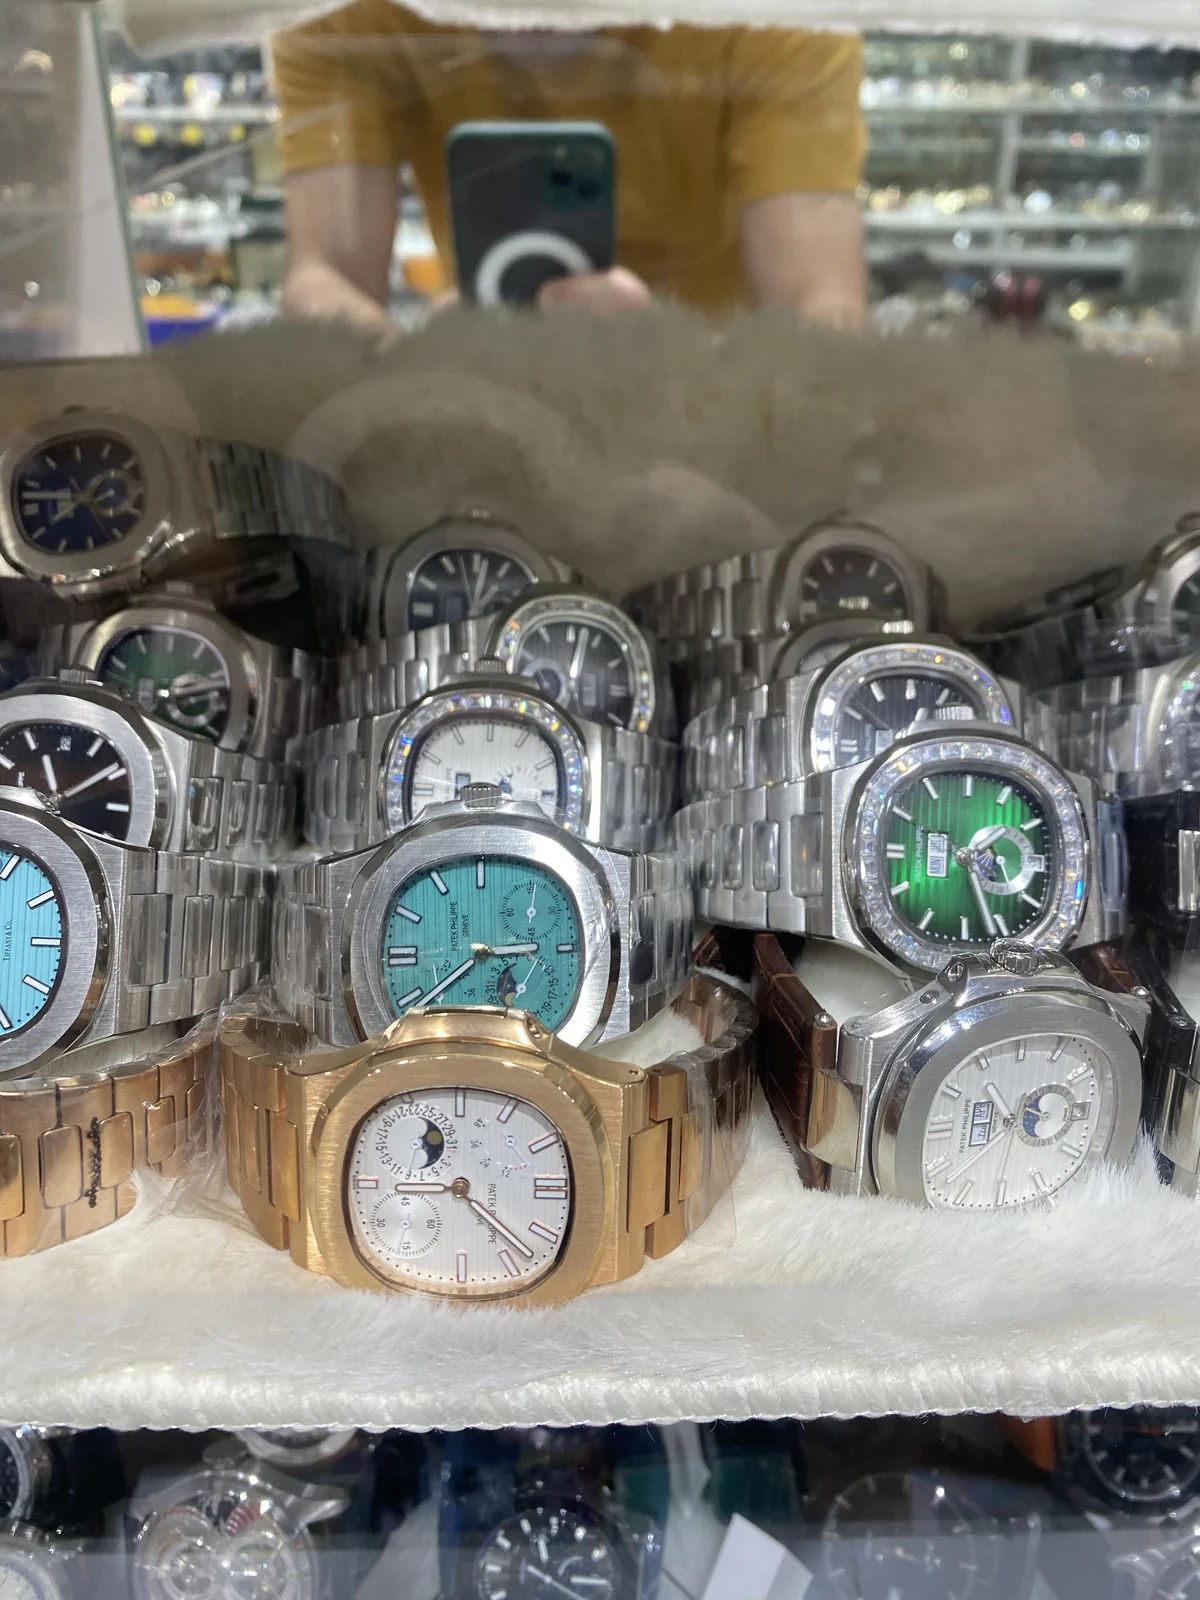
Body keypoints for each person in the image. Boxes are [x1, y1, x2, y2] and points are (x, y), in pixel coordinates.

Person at [270, 0, 868, 331]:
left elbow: (822, 313)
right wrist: (412, 371)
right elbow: (325, 280)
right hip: (515, 389)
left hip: (717, 421)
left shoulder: (782, 16)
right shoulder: (337, 15)